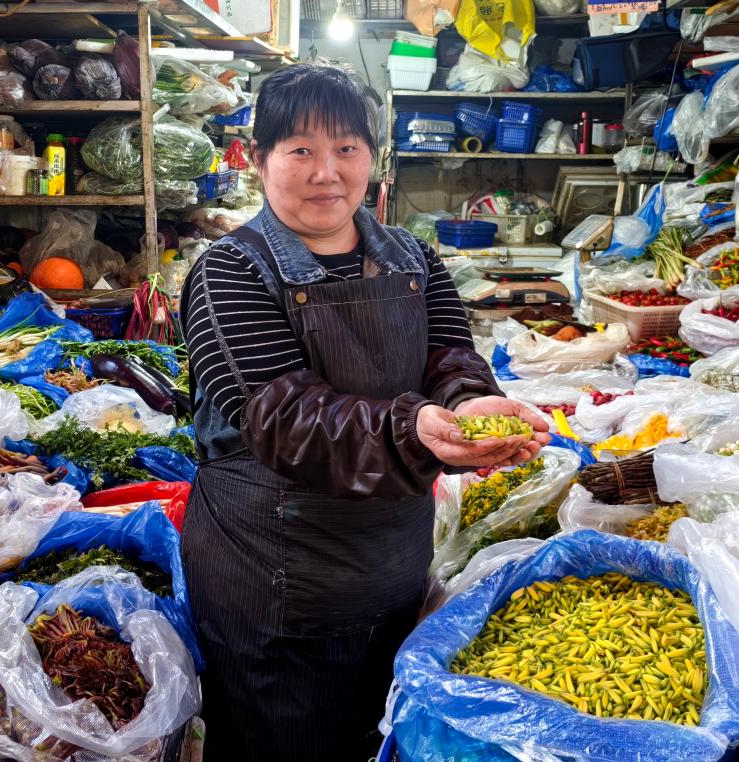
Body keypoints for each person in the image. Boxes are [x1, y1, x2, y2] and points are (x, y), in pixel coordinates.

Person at [180, 61, 550, 761]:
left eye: (347, 148)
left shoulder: (414, 257)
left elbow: (449, 359)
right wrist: (414, 428)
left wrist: (474, 407)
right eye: (301, 151)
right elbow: (281, 416)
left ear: (373, 159)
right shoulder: (229, 271)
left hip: (391, 567)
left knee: (375, 738)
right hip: (274, 581)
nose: (327, 173)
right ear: (258, 160)